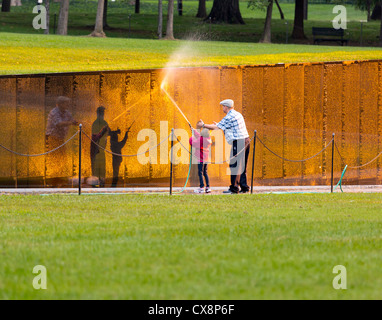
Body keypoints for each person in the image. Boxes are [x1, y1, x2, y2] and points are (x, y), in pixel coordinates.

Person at [199, 99, 250, 194]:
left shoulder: (229, 116)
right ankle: (244, 187)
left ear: (226, 107)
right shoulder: (238, 114)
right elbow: (224, 126)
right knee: (242, 165)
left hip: (239, 142)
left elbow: (216, 127)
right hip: (246, 140)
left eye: (223, 106)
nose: (222, 108)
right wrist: (218, 125)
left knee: (234, 165)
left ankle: (234, 189)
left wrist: (203, 125)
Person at [45, 96, 78, 186]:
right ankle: (53, 180)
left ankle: (59, 178)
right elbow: (59, 124)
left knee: (62, 158)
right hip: (52, 138)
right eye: (66, 103)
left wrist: (79, 123)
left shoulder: (66, 112)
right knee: (54, 158)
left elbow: (72, 120)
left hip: (60, 139)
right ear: (60, 104)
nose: (67, 105)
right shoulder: (54, 112)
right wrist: (71, 123)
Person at [189, 127, 212, 194]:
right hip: (206, 159)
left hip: (200, 159)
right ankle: (208, 187)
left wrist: (191, 138)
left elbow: (193, 143)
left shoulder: (201, 139)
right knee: (205, 172)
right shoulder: (208, 138)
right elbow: (199, 136)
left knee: (200, 172)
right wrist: (194, 131)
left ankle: (201, 187)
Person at [91, 106, 109, 187]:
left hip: (101, 149)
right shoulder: (97, 123)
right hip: (97, 149)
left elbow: (107, 135)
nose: (103, 114)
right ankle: (97, 181)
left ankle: (100, 181)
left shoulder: (104, 123)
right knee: (98, 166)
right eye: (102, 112)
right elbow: (95, 137)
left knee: (100, 166)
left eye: (103, 112)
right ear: (99, 113)